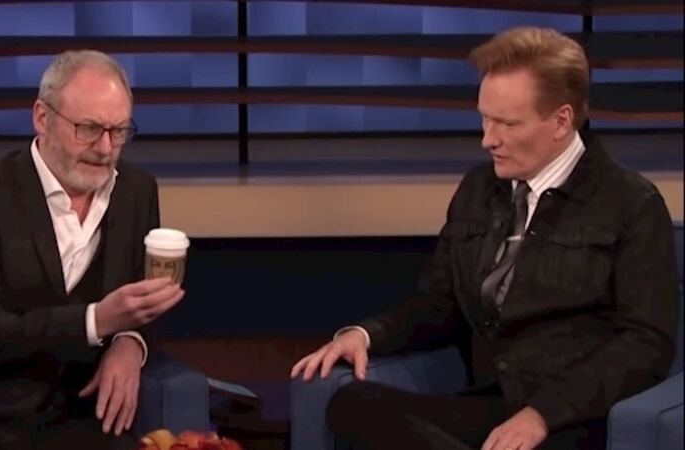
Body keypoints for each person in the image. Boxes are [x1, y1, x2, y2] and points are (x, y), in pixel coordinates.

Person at [291, 26, 679, 450]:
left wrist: (542, 414)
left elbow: (645, 345)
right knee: (353, 404)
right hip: (490, 405)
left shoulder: (631, 204)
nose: (487, 139)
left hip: (574, 419)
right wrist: (365, 336)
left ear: (561, 120)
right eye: (485, 118)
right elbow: (438, 304)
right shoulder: (479, 190)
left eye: (507, 124)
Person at [0, 50, 185, 450]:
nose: (105, 147)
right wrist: (97, 320)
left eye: (118, 131)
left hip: (71, 417)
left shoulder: (136, 191)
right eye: (88, 128)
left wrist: (130, 342)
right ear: (42, 118)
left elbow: (142, 296)